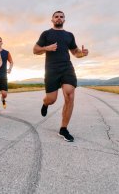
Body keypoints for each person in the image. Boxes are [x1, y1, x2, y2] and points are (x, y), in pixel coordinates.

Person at [33, 11, 88, 142]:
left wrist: (82, 54)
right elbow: (35, 50)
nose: (59, 18)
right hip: (51, 70)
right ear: (52, 19)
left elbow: (75, 52)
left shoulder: (69, 35)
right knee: (51, 99)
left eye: (61, 16)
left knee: (69, 94)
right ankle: (45, 103)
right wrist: (47, 48)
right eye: (56, 16)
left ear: (64, 20)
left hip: (66, 68)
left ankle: (63, 129)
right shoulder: (46, 34)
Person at [0, 37, 14, 116]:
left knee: (4, 93)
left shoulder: (6, 52)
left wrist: (10, 69)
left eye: (0, 41)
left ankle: (3, 98)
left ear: (2, 43)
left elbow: (11, 62)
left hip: (3, 75)